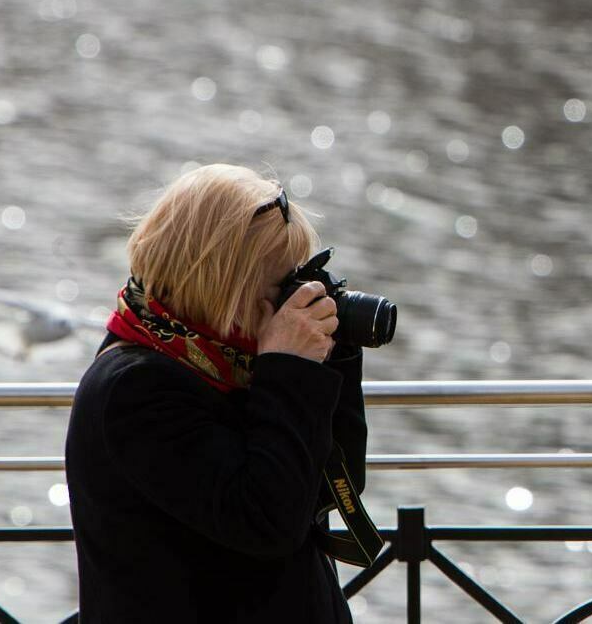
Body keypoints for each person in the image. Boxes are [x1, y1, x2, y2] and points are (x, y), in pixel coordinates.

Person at [65, 164, 368, 622]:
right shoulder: (134, 390)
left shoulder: (229, 363)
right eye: (281, 285)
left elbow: (329, 487)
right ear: (225, 284)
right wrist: (289, 369)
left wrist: (333, 354)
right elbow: (267, 522)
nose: (292, 300)